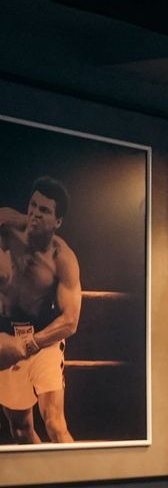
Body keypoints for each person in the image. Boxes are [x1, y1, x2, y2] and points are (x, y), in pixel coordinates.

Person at [0, 178, 81, 443]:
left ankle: (76, 483)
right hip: (5, 335)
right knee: (21, 431)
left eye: (44, 210)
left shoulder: (62, 258)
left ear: (58, 221)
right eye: (33, 205)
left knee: (55, 425)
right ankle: (44, 482)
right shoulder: (7, 228)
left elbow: (70, 321)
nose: (35, 213)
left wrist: (28, 344)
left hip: (43, 339)